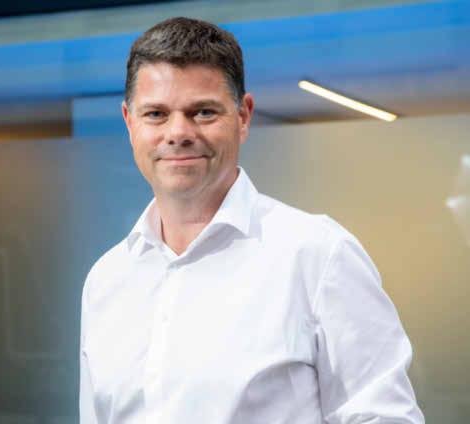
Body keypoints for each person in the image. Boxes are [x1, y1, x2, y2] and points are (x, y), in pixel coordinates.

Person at [79, 17, 424, 424]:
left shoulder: (318, 256)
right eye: (156, 114)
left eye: (203, 112)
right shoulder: (106, 281)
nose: (178, 132)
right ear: (129, 121)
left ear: (243, 117)